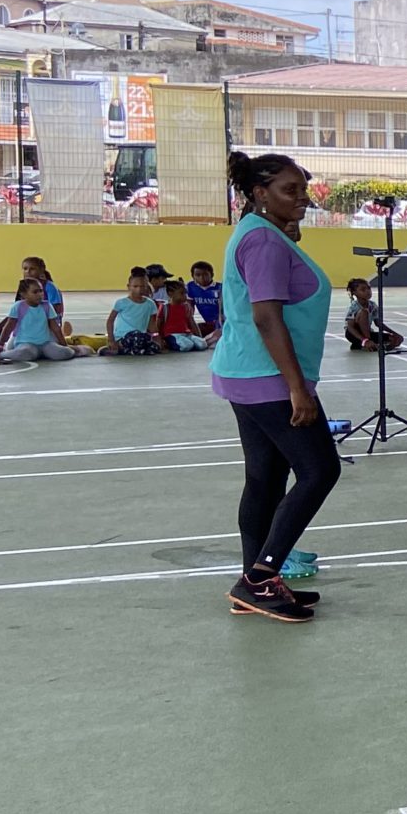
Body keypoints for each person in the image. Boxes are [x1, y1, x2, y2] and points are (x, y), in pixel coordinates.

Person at [212, 150, 341, 623]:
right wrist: (297, 389)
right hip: (268, 379)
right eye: (290, 190)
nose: (302, 198)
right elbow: (267, 318)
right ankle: (261, 576)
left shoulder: (259, 232)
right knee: (319, 470)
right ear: (259, 193)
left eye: (304, 189)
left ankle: (255, 582)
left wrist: (286, 232)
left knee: (265, 478)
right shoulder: (263, 241)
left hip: (246, 373)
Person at [0, 278, 77, 363]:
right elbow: (8, 328)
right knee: (25, 353)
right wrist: (0, 345)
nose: (40, 294)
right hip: (26, 344)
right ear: (24, 294)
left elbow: (56, 328)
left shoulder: (47, 306)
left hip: (46, 343)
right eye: (35, 292)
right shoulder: (18, 306)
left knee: (66, 353)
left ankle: (75, 350)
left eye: (41, 291)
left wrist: (64, 345)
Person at [102, 270, 163, 357]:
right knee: (136, 337)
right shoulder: (121, 302)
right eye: (135, 286)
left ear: (147, 287)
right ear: (129, 287)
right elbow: (110, 321)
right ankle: (122, 348)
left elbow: (152, 325)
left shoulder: (150, 304)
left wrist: (157, 339)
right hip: (124, 337)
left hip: (141, 337)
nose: (139, 289)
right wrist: (111, 340)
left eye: (142, 286)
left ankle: (127, 351)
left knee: (153, 346)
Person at [153, 277, 204, 353]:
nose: (185, 296)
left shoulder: (186, 306)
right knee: (187, 345)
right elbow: (158, 323)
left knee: (202, 344)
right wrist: (159, 339)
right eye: (182, 293)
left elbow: (192, 322)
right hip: (171, 335)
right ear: (170, 293)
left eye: (185, 293)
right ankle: (171, 344)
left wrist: (199, 336)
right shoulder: (165, 307)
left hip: (187, 334)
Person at [186, 260, 222, 342]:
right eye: (198, 275)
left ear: (212, 275)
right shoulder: (190, 287)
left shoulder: (220, 288)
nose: (202, 278)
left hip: (220, 323)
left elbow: (223, 311)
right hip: (206, 324)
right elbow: (189, 309)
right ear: (193, 276)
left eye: (205, 274)